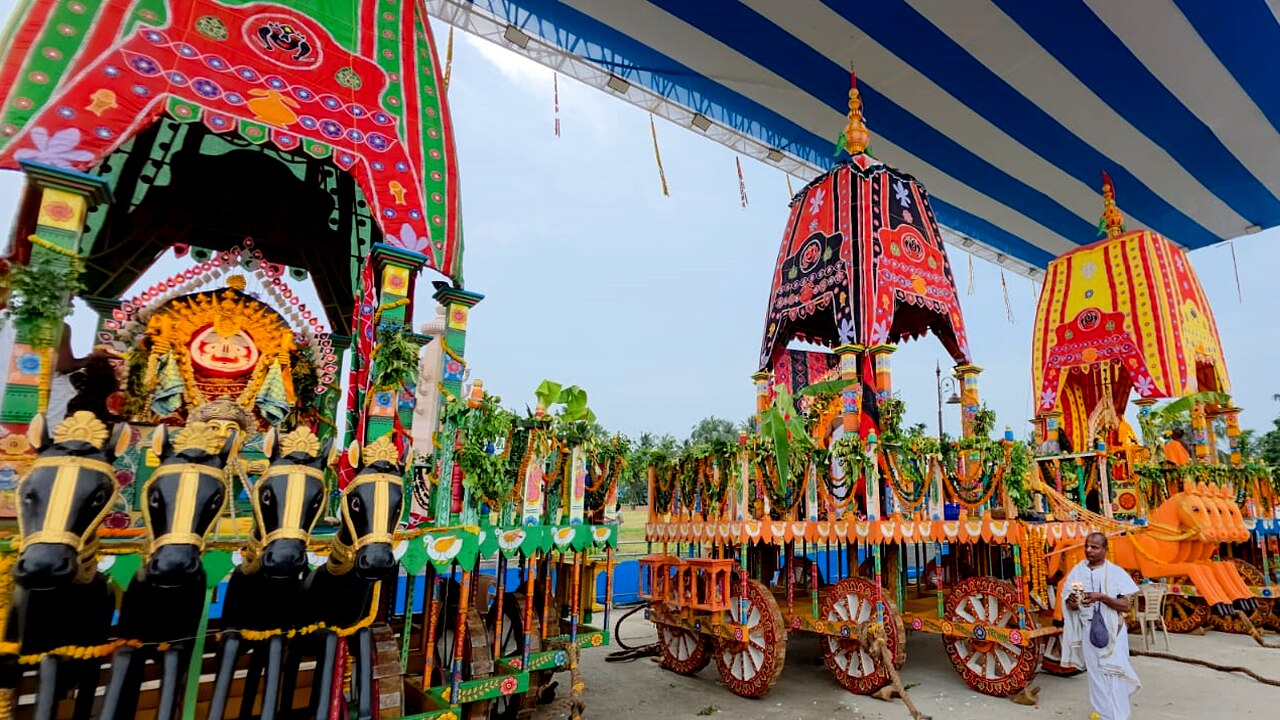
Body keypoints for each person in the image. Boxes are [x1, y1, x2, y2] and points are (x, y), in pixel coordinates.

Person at [1062, 532, 1141, 720]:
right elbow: (1069, 603)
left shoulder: (1115, 573)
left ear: (1105, 550)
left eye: (1095, 547)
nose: (1089, 550)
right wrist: (1072, 602)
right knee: (1096, 674)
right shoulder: (1078, 571)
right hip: (1089, 629)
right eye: (1087, 546)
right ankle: (1104, 714)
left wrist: (1102, 597)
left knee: (1113, 672)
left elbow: (1125, 605)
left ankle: (1118, 716)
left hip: (1113, 631)